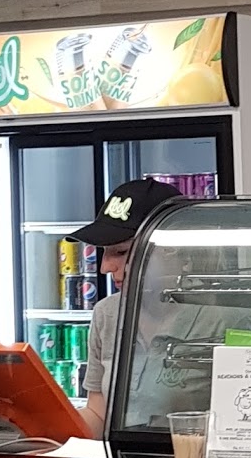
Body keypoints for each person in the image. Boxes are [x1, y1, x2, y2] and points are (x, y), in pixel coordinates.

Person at [71, 177, 186, 437]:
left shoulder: (224, 317)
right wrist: (40, 424)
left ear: (172, 249)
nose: (105, 267)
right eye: (104, 252)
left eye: (121, 252)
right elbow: (99, 414)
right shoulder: (107, 313)